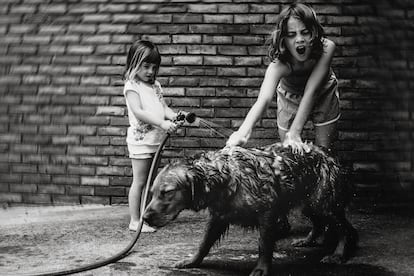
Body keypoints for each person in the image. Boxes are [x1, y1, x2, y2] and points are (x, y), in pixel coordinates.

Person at [226, 3, 340, 154]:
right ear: (283, 39)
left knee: (325, 151)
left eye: (305, 32)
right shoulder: (279, 66)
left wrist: (295, 131)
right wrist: (242, 132)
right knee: (289, 152)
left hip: (323, 92)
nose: (299, 39)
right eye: (292, 35)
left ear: (313, 32)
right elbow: (263, 100)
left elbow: (312, 90)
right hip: (289, 97)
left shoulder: (327, 48)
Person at [123, 40, 181, 232]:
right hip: (141, 143)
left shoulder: (155, 85)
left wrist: (173, 116)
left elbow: (163, 108)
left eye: (154, 67)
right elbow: (139, 112)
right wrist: (163, 123)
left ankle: (145, 218)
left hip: (156, 140)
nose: (150, 71)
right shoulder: (132, 86)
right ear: (134, 64)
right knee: (139, 182)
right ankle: (134, 220)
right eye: (145, 66)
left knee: (150, 183)